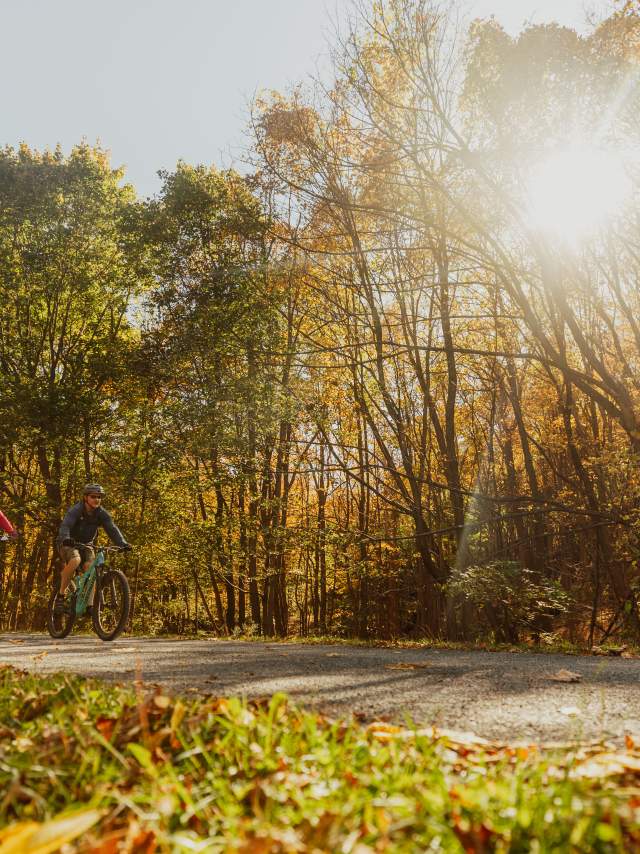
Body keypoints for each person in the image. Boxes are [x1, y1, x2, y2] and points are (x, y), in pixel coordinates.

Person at [56, 484, 131, 613]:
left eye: (99, 497)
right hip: (68, 543)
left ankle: (90, 605)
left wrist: (122, 543)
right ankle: (61, 596)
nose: (97, 499)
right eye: (93, 497)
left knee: (91, 568)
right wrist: (65, 538)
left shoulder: (101, 513)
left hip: (87, 544)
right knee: (76, 560)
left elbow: (112, 528)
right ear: (85, 498)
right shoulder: (76, 510)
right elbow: (66, 525)